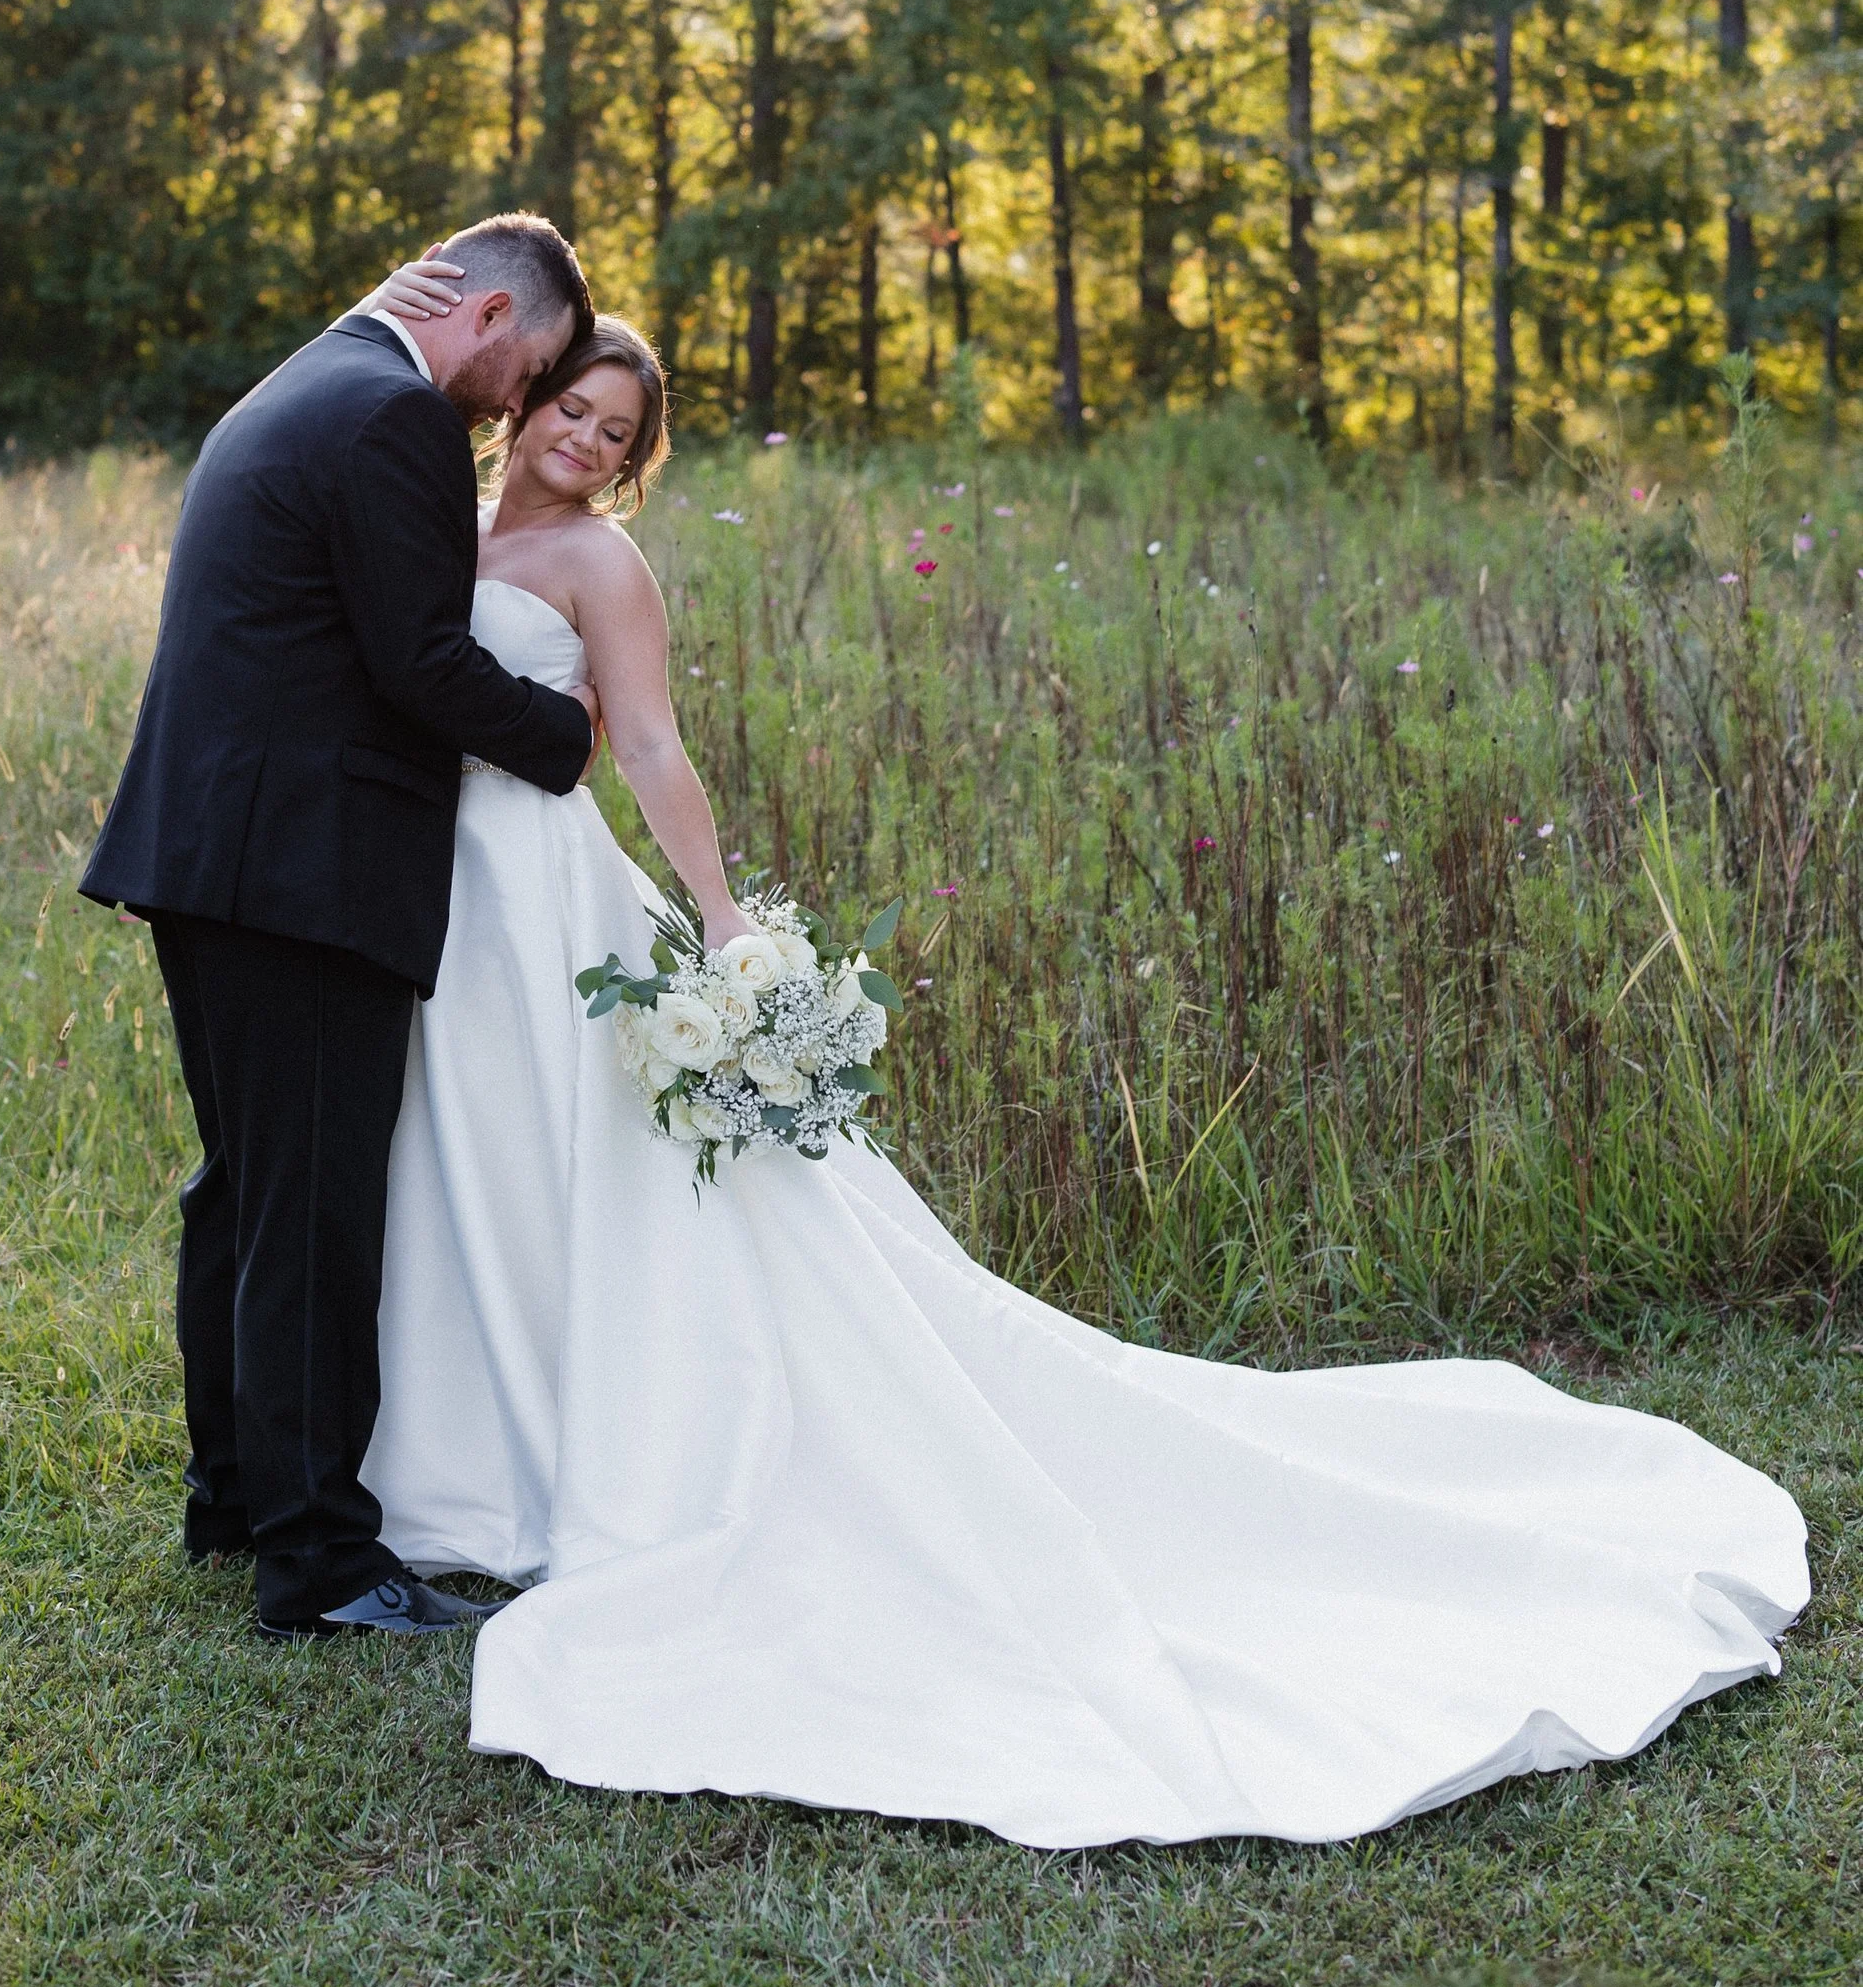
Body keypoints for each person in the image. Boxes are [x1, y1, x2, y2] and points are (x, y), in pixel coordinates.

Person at [356, 257, 1809, 1848]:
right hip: (442, 893)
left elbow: (649, 743)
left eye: (615, 426)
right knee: (483, 1158)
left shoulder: (603, 564)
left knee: (608, 1176)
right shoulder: (448, 507)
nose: (581, 437)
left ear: (635, 455)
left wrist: (721, 927)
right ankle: (474, 1442)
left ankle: (612, 1459)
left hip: (548, 893)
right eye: (570, 405)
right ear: (526, 395)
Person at [80, 214, 600, 1641]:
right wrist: (568, 732)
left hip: (213, 857)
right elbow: (421, 660)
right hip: (303, 874)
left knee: (245, 1192)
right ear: (490, 311)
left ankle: (236, 1496)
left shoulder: (299, 383)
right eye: (533, 365)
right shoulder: (394, 418)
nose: (514, 404)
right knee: (306, 1212)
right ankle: (316, 1560)